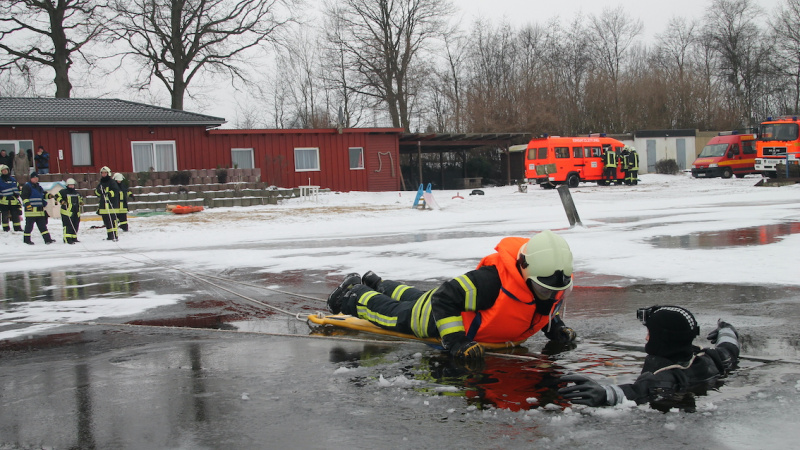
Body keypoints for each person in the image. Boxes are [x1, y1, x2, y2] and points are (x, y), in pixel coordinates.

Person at [326, 230, 578, 362]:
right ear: (525, 271)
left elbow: (545, 307)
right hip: (437, 318)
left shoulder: (546, 282)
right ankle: (352, 295)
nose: (551, 297)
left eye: (559, 292)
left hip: (449, 303)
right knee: (393, 314)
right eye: (546, 290)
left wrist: (555, 327)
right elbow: (444, 298)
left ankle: (379, 284)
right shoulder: (491, 282)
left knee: (416, 296)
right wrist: (456, 341)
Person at [558, 305, 740, 409]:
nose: (646, 338)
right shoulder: (711, 358)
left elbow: (642, 391)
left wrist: (605, 394)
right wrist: (726, 328)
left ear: (664, 338)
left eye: (650, 333)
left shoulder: (666, 376)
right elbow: (730, 347)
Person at [21, 172, 55, 245]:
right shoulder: (27, 186)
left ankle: (47, 239)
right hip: (31, 211)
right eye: (34, 178)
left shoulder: (38, 187)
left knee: (43, 227)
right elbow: (24, 197)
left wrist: (49, 196)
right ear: (31, 178)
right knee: (29, 227)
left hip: (40, 211)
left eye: (37, 178)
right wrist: (28, 205)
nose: (36, 179)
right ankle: (26, 240)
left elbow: (43, 195)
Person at [55, 178, 83, 244]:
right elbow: (56, 196)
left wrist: (81, 202)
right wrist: (62, 201)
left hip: (76, 212)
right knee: (68, 226)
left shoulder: (76, 193)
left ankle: (74, 237)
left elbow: (80, 198)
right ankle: (67, 239)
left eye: (72, 185)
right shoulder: (63, 192)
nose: (71, 186)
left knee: (75, 225)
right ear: (67, 185)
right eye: (70, 185)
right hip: (66, 212)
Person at [95, 166, 120, 241]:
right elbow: (96, 192)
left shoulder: (112, 182)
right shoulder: (101, 183)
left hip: (111, 205)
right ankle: (109, 236)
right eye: (102, 173)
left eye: (105, 173)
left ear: (108, 173)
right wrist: (98, 192)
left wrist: (109, 194)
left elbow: (116, 191)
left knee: (113, 221)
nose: (103, 174)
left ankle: (114, 235)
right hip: (103, 206)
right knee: (106, 222)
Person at [0, 164, 23, 232]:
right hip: (3, 201)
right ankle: (6, 228)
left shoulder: (13, 179)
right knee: (5, 216)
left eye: (6, 170)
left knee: (15, 215)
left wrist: (18, 194)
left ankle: (17, 228)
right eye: (3, 170)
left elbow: (18, 188)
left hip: (13, 200)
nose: (5, 171)